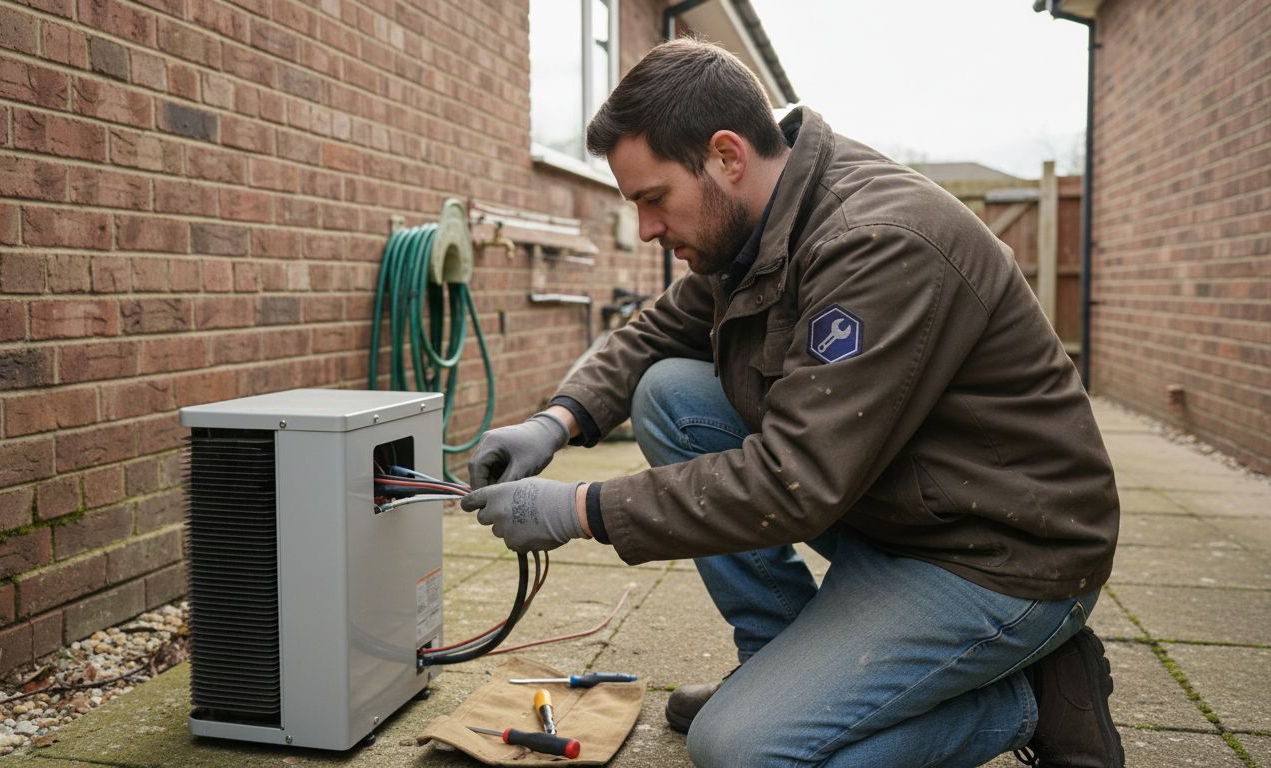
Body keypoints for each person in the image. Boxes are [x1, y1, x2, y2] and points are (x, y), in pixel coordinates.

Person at [460, 39, 1123, 768]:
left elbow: (794, 480)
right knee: (670, 394)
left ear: (726, 155)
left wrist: (578, 509)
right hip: (894, 509)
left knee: (742, 751)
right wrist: (553, 422)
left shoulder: (879, 243)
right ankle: (773, 662)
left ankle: (1030, 699)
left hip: (997, 553)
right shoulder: (757, 224)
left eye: (653, 198)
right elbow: (655, 333)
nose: (647, 227)